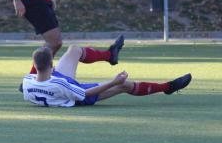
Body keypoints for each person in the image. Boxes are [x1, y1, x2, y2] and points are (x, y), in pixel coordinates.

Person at [22, 36, 192, 107]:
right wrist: (113, 82)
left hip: (53, 85)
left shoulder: (27, 82)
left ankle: (111, 55)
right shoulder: (58, 83)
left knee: (74, 50)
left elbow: (36, 77)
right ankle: (167, 87)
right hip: (73, 96)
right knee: (124, 85)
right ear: (52, 64)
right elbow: (85, 93)